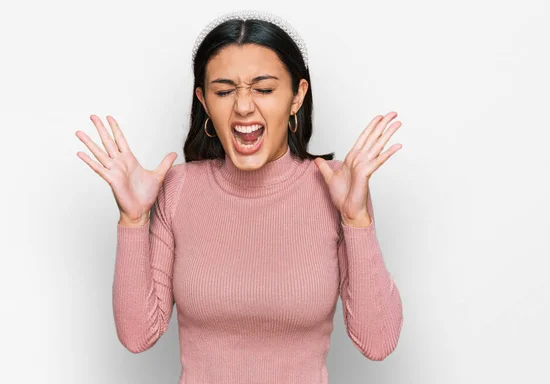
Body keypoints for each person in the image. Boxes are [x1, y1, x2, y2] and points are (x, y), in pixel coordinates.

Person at [75, 9, 404, 384]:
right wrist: (133, 220)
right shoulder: (178, 190)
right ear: (203, 100)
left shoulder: (338, 189)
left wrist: (356, 219)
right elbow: (137, 336)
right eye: (224, 91)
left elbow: (378, 342)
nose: (244, 106)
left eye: (264, 89)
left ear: (297, 96)